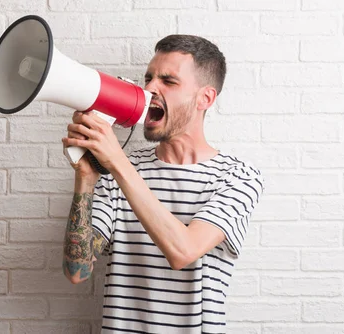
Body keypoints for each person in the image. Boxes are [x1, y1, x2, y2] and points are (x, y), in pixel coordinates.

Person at [61, 35, 265, 333]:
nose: (148, 89)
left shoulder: (238, 177)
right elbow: (77, 271)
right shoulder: (120, 169)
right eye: (148, 77)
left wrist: (117, 162)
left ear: (205, 98)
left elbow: (183, 252)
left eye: (168, 81)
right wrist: (85, 178)